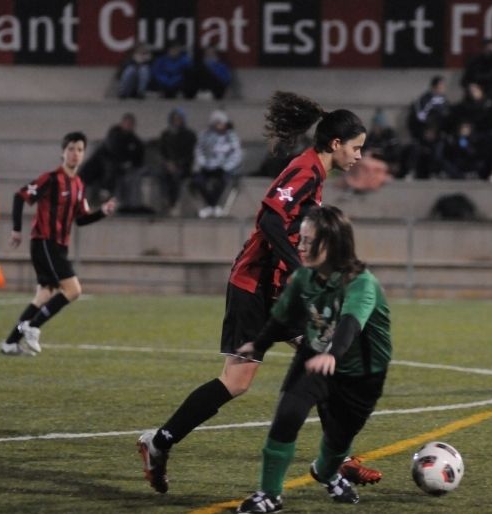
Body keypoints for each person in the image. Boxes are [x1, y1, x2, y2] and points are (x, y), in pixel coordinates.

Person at [137, 91, 382, 495]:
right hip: (254, 285)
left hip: (276, 289)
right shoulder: (305, 169)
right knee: (237, 381)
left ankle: (335, 465)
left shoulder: (316, 176)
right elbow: (269, 219)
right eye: (356, 148)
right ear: (336, 144)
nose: (359, 156)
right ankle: (158, 442)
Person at [234, 205, 392, 513]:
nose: (300, 246)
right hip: (315, 357)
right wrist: (260, 345)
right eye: (300, 239)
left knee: (338, 439)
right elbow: (282, 317)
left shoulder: (361, 282)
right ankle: (270, 494)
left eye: (308, 241)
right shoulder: (304, 278)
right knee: (288, 414)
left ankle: (326, 471)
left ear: (333, 243)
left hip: (361, 373)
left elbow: (351, 323)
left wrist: (333, 354)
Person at [0, 132, 116, 356]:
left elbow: (81, 219)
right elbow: (19, 196)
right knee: (73, 290)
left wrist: (102, 212)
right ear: (63, 152)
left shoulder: (79, 184)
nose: (75, 154)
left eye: (80, 150)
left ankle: (10, 343)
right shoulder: (50, 178)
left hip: (59, 245)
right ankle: (33, 327)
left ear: (83, 154)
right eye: (71, 149)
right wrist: (16, 229)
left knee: (43, 296)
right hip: (44, 241)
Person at [80, 113, 145, 204]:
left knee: (111, 169)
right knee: (88, 170)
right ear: (122, 124)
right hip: (102, 161)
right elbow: (112, 150)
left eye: (130, 124)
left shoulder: (135, 142)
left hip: (116, 166)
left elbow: (138, 158)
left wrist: (128, 163)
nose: (128, 126)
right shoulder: (114, 135)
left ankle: (104, 194)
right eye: (127, 123)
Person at [191, 109, 243, 218]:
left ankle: (216, 206)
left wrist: (226, 166)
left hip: (224, 168)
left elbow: (236, 154)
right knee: (197, 181)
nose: (221, 126)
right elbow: (199, 151)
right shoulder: (204, 135)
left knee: (223, 182)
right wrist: (204, 164)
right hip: (207, 167)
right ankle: (208, 206)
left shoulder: (231, 136)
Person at [158, 107, 197, 210]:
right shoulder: (165, 135)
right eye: (175, 119)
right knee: (162, 175)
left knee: (177, 176)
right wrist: (168, 164)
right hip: (168, 166)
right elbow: (162, 152)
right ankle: (166, 201)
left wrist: (178, 164)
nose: (177, 121)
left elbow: (190, 154)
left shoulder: (190, 135)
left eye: (179, 119)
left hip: (183, 166)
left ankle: (174, 203)